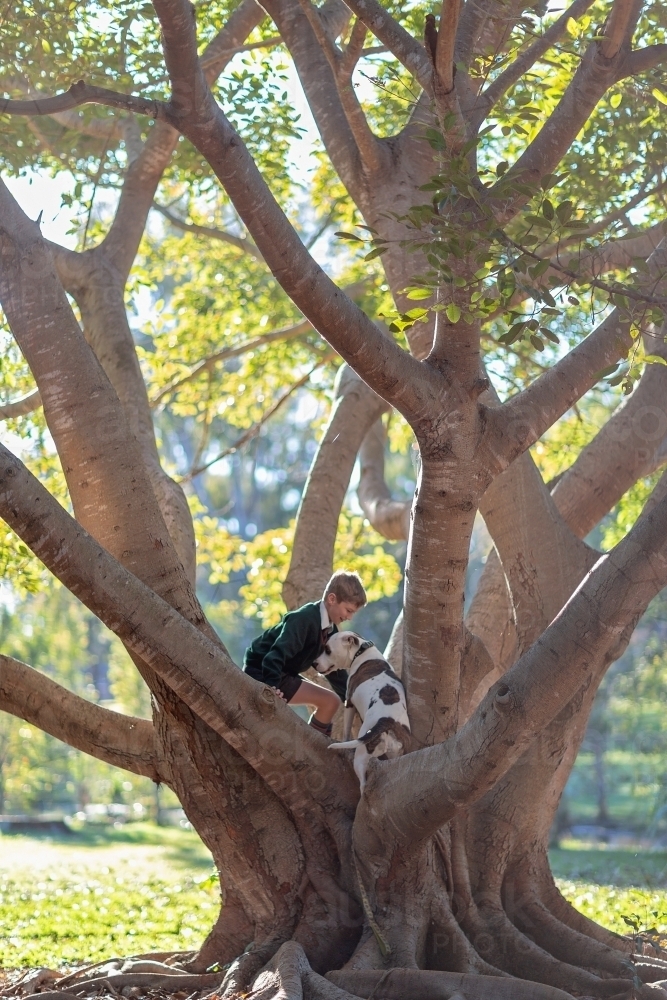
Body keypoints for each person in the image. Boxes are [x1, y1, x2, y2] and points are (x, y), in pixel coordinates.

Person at [243, 570, 367, 736]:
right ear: (332, 599)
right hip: (263, 671)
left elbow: (335, 673)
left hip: (281, 672)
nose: (350, 617)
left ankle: (313, 744)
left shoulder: (329, 629)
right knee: (328, 702)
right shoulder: (305, 619)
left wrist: (355, 701)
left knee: (331, 702)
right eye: (348, 610)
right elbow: (274, 655)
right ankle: (314, 748)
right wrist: (271, 687)